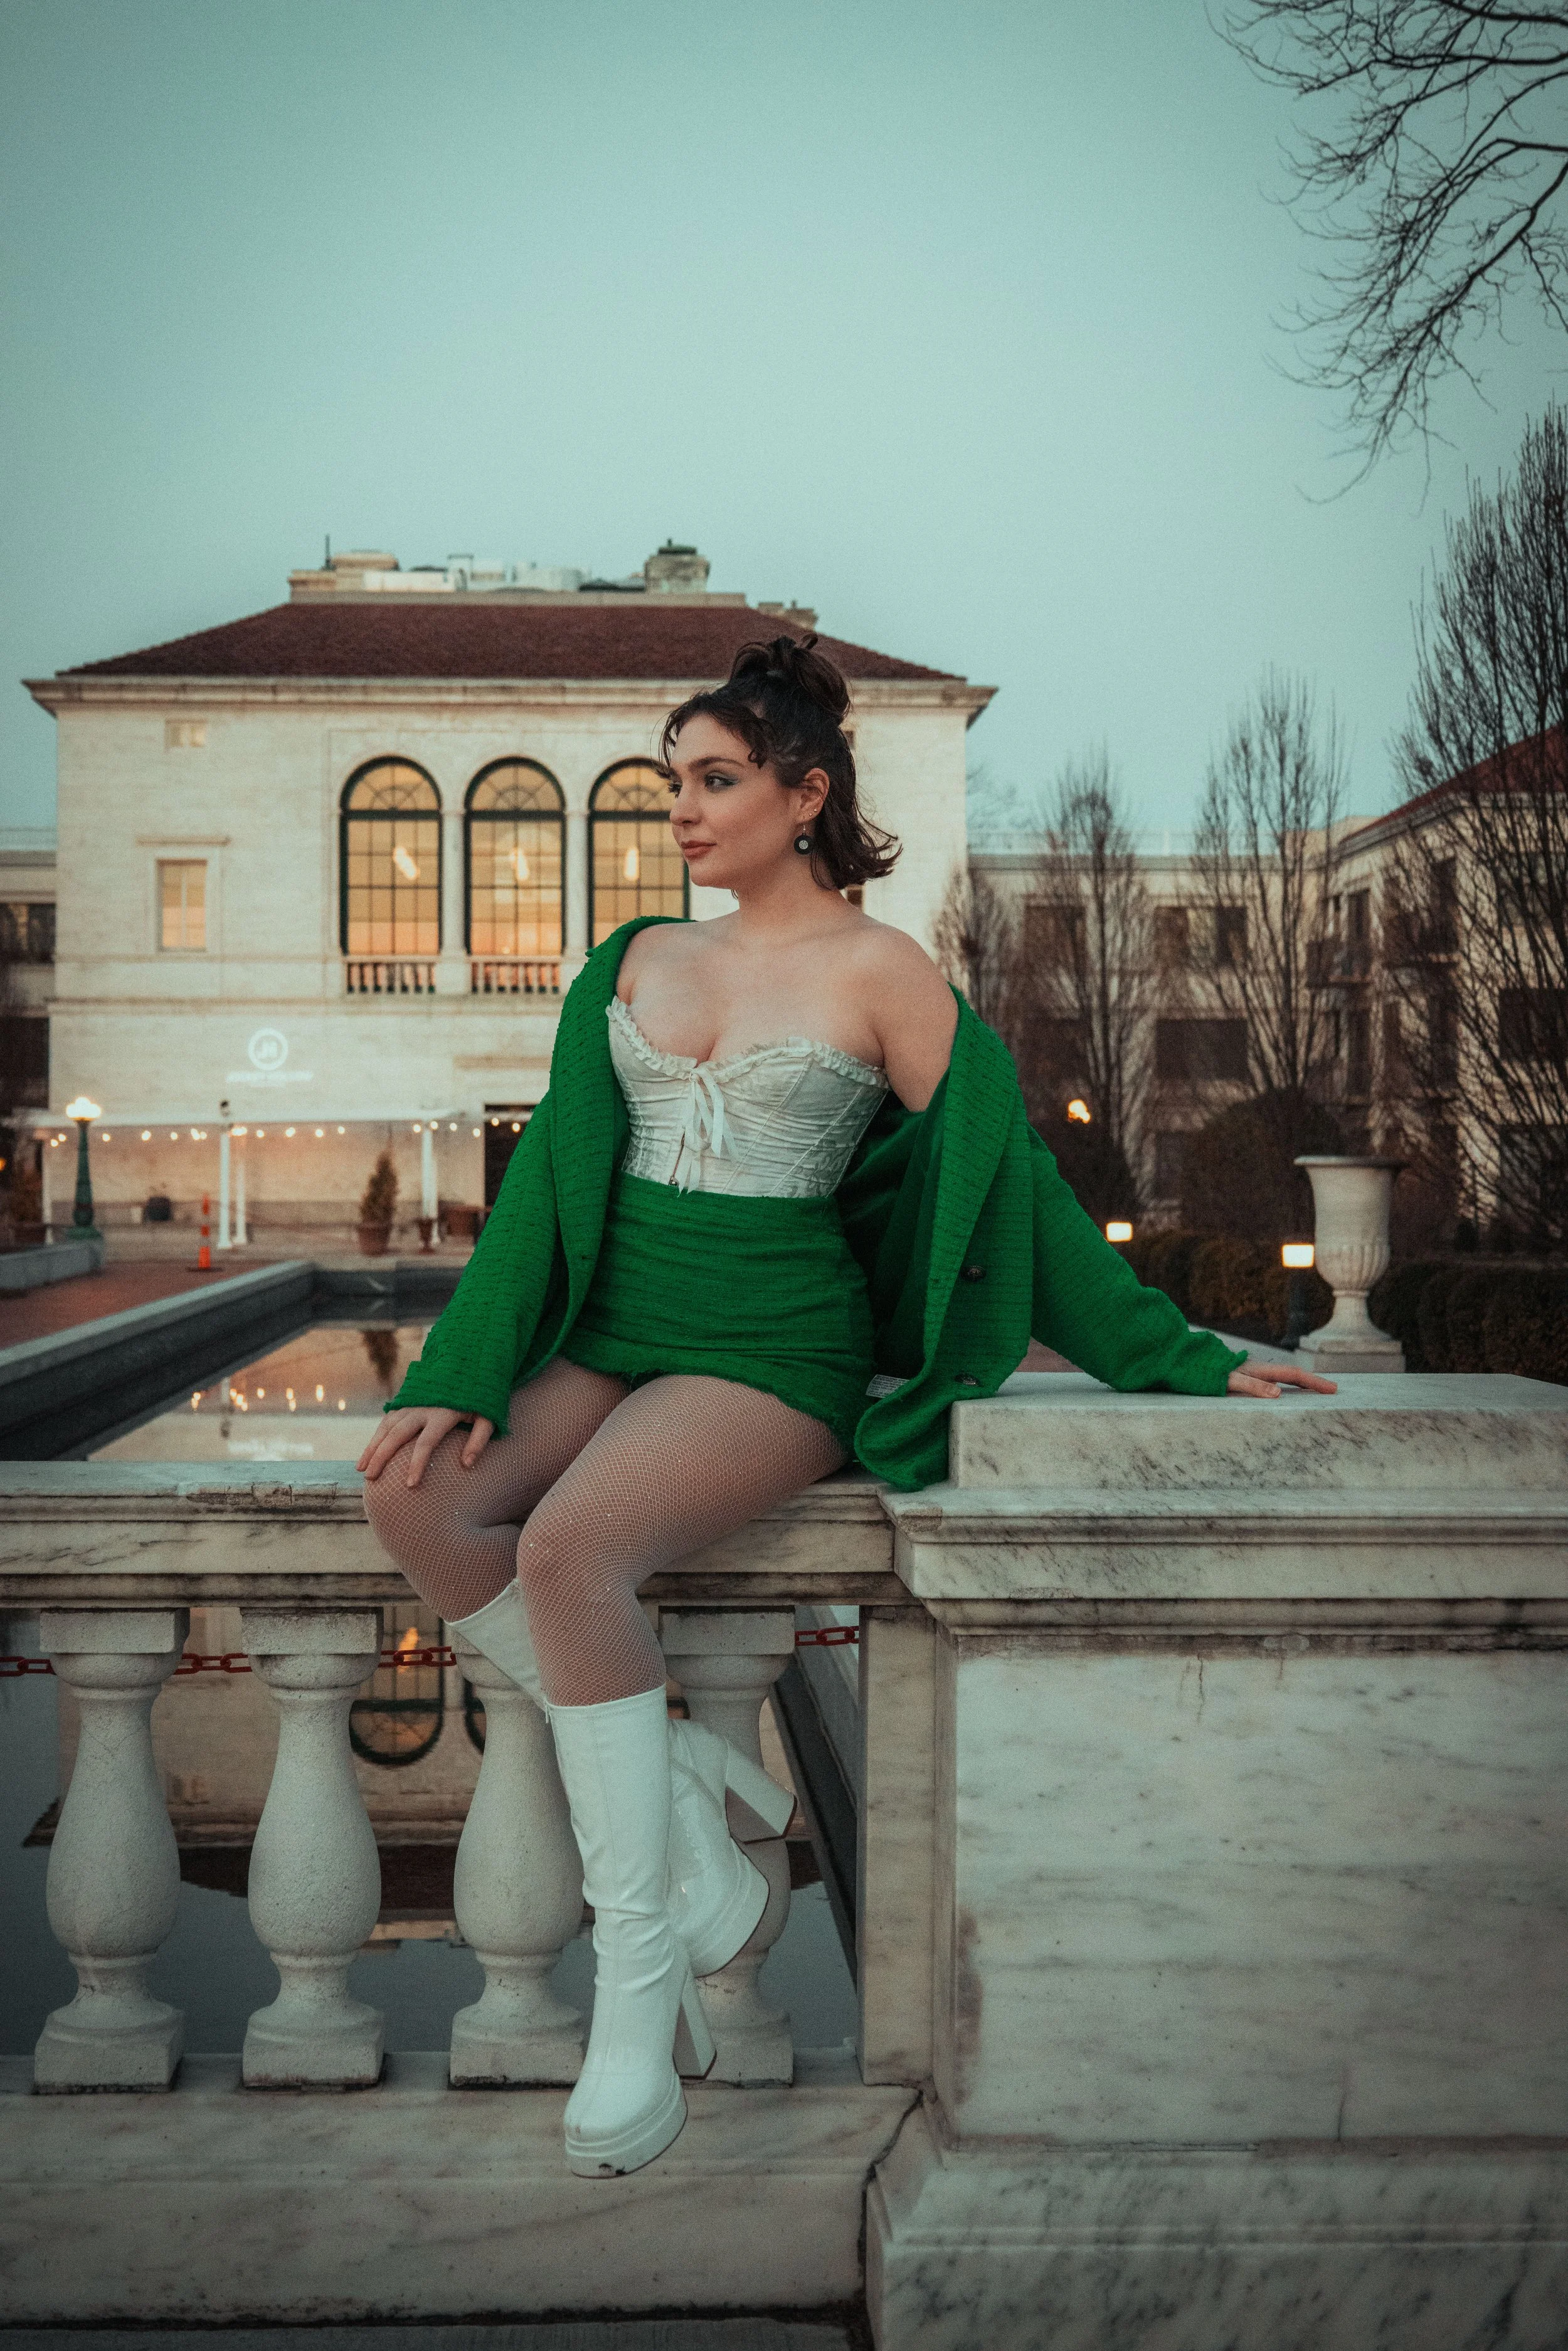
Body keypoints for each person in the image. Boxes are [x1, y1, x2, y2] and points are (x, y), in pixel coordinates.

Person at [360, 634, 1333, 2180]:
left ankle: (638, 1982)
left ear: (804, 793)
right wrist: (457, 1373)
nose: (680, 808)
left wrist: (1182, 1353)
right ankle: (687, 1800)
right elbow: (546, 1185)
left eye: (713, 778)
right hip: (612, 1322)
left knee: (569, 1551)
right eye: (671, 780)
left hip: (770, 1343)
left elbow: (1010, 1185)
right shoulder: (632, 960)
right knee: (412, 1493)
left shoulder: (884, 973)